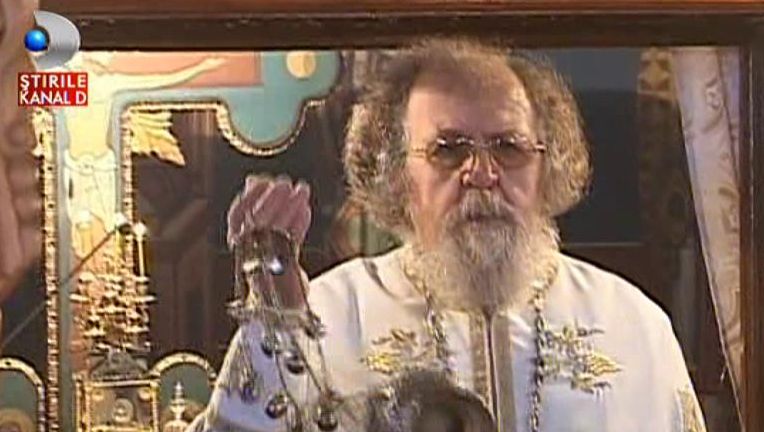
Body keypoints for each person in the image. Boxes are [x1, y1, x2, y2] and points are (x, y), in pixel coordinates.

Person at [190, 39, 707, 432]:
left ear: (547, 165)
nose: (482, 173)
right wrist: (275, 323)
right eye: (448, 149)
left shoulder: (633, 326)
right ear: (397, 172)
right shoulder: (332, 315)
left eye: (508, 147)